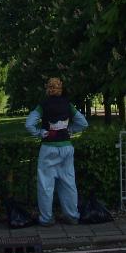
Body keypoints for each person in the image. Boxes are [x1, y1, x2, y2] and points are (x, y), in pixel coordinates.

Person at [25, 77, 88, 226]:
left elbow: (29, 124)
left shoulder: (43, 105)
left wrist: (40, 132)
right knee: (68, 183)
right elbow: (83, 123)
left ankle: (46, 219)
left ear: (48, 89)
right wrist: (71, 130)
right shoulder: (68, 104)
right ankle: (72, 216)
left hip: (49, 148)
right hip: (66, 147)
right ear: (60, 89)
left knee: (46, 185)